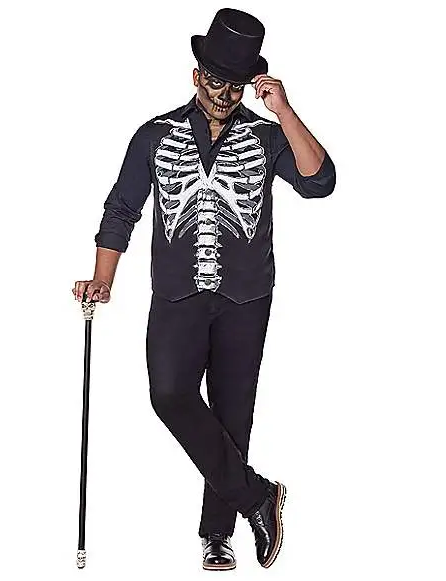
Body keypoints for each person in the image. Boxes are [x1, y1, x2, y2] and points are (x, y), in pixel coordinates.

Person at [73, 7, 336, 571]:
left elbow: (320, 182)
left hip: (246, 297)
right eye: (216, 80)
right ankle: (257, 496)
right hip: (176, 295)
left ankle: (217, 535)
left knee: (232, 415)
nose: (224, 94)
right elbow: (121, 209)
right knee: (168, 394)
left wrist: (284, 110)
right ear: (196, 75)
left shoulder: (267, 137)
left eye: (236, 85)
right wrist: (103, 279)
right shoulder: (155, 136)